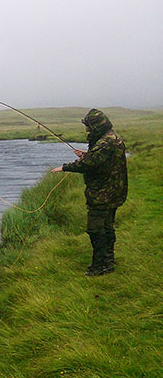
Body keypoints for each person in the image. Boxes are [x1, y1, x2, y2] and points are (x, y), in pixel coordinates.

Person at [51, 109, 128, 276]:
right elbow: (102, 160)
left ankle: (100, 266)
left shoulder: (104, 143)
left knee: (95, 229)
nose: (87, 130)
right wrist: (87, 154)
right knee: (107, 226)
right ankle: (108, 260)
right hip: (115, 191)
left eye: (89, 127)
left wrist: (64, 167)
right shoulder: (113, 138)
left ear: (97, 126)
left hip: (103, 193)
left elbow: (88, 165)